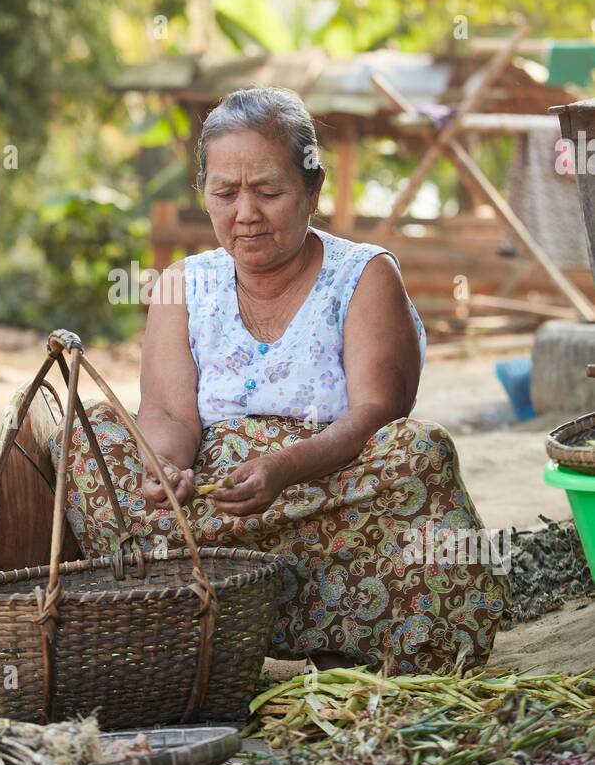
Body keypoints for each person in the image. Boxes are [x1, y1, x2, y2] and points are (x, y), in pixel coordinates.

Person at [49, 86, 509, 674]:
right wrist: (165, 467)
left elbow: (377, 412)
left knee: (419, 453)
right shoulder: (182, 284)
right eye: (226, 193)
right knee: (84, 436)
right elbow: (166, 412)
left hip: (333, 502)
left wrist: (283, 467)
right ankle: (192, 616)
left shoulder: (364, 275)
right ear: (205, 196)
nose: (246, 213)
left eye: (268, 191)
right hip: (218, 514)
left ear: (312, 190)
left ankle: (352, 624)